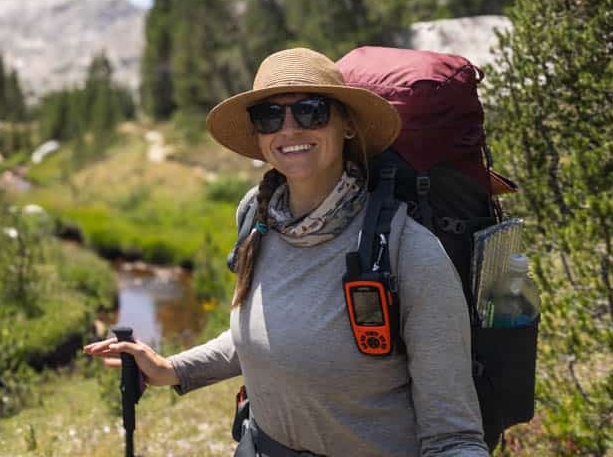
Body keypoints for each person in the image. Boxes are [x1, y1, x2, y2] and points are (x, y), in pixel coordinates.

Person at [84, 48, 489, 457]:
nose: (289, 129)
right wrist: (173, 369)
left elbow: (453, 438)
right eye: (269, 116)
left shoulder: (410, 252)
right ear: (259, 136)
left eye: (312, 111)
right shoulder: (256, 218)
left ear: (347, 125)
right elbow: (266, 335)